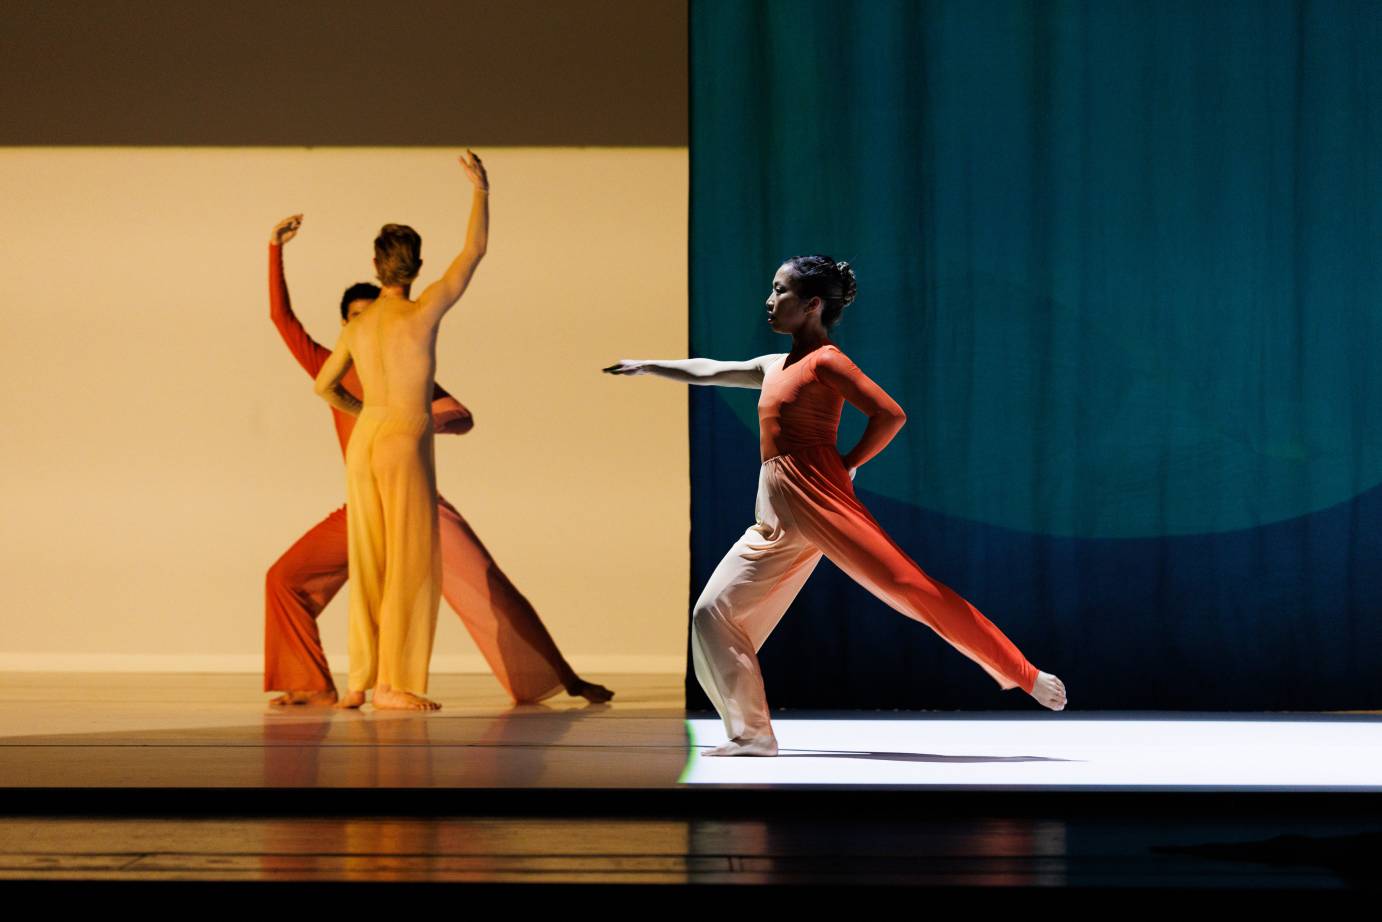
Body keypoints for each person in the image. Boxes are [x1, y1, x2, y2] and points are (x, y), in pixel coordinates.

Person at [605, 256, 1065, 755]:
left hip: (817, 494)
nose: (769, 299)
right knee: (712, 613)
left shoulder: (826, 361)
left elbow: (890, 415)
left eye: (780, 290)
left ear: (812, 304)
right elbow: (713, 371)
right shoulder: (774, 365)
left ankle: (1025, 673)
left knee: (906, 584)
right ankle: (753, 735)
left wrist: (848, 464)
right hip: (775, 514)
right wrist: (650, 365)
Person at [264, 212, 613, 710]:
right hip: (370, 495)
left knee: (486, 584)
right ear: (346, 322)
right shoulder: (341, 352)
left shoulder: (393, 352)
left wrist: (422, 419)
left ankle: (564, 679)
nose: (366, 321)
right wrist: (275, 251)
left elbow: (459, 414)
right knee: (285, 577)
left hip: (407, 488)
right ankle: (316, 684)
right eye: (355, 316)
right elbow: (283, 320)